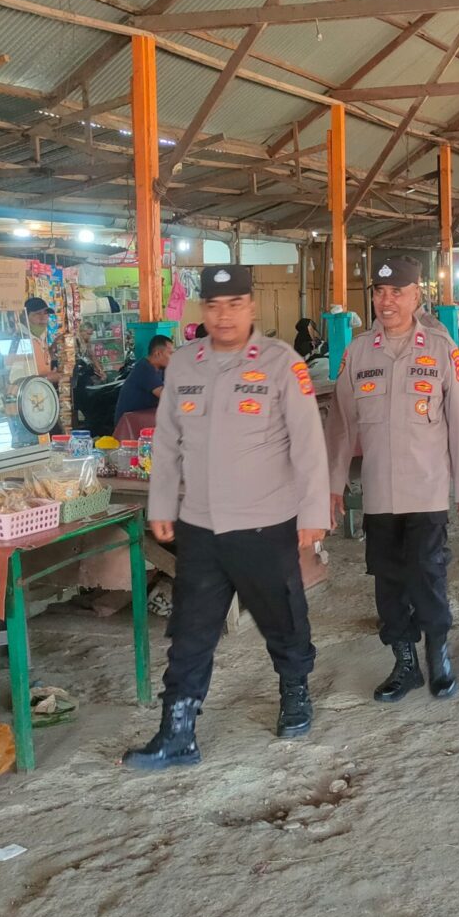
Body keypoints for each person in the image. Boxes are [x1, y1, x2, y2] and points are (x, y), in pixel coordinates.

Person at [124, 265, 330, 770]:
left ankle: (295, 691)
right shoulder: (185, 365)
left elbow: (308, 445)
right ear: (203, 310)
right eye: (214, 306)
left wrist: (313, 513)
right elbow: (167, 441)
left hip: (265, 522)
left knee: (282, 617)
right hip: (201, 525)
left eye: (234, 304)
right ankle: (177, 732)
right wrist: (161, 505)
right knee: (190, 631)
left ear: (251, 307)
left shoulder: (282, 363)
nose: (224, 316)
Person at [326, 257, 459, 702]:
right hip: (379, 493)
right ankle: (405, 663)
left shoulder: (440, 348)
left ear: (417, 296)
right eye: (380, 291)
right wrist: (332, 485)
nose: (387, 300)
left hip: (426, 490)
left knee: (428, 575)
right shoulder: (358, 352)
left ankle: (439, 654)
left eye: (397, 292)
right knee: (388, 581)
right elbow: (341, 426)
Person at [114, 334, 174, 418]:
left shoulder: (161, 368)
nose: (173, 357)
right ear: (158, 353)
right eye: (170, 353)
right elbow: (166, 396)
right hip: (129, 421)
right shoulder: (145, 368)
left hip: (145, 417)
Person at [24, 296, 60, 386]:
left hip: (43, 391)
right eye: (37, 314)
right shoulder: (21, 341)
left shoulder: (41, 337)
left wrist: (51, 351)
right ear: (25, 317)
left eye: (46, 313)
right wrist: (47, 378)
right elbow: (16, 379)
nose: (43, 318)